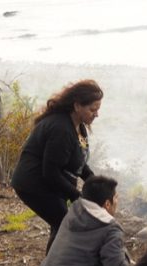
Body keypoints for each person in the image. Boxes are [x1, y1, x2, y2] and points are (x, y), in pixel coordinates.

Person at [11, 79, 103, 253]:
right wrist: (77, 196)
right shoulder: (60, 128)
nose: (96, 114)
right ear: (77, 106)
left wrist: (97, 182)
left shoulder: (78, 127)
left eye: (98, 110)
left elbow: (78, 162)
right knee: (65, 224)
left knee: (61, 223)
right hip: (33, 184)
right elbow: (51, 173)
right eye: (92, 109)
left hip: (50, 184)